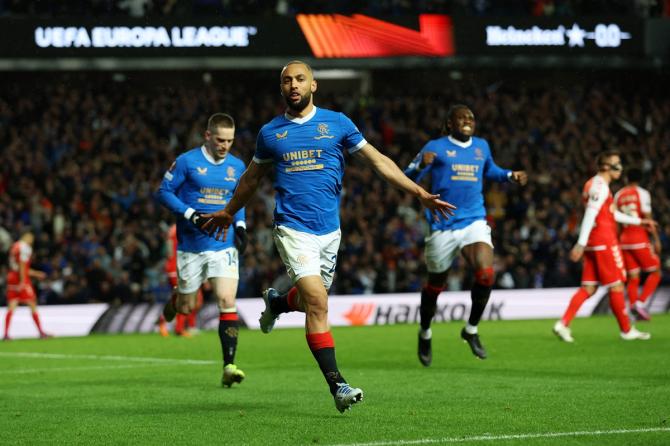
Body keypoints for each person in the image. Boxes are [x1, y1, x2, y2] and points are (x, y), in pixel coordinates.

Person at [201, 61, 455, 413]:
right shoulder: (271, 133)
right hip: (292, 228)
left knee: (308, 302)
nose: (294, 84)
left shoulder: (337, 123)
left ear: (313, 85)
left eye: (300, 79)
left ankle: (277, 303)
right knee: (318, 302)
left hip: (329, 232)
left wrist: (419, 192)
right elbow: (250, 179)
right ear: (281, 88)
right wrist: (229, 211)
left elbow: (379, 161)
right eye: (287, 80)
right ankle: (338, 385)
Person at [403, 104, 527, 366]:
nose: (468, 120)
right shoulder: (434, 147)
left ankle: (470, 330)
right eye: (461, 118)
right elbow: (405, 177)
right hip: (442, 224)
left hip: (474, 220)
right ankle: (425, 332)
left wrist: (509, 175)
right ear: (450, 124)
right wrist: (417, 168)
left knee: (486, 273)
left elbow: (490, 170)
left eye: (471, 117)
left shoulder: (481, 146)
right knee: (436, 284)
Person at [156, 113, 249, 387]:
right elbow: (164, 191)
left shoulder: (237, 165)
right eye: (220, 140)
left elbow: (239, 197)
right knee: (186, 307)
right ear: (207, 136)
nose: (225, 146)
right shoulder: (187, 161)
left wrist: (241, 225)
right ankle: (175, 301)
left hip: (224, 244)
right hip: (191, 247)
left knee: (225, 300)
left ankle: (229, 366)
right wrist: (191, 214)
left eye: (230, 141)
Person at [553, 151, 655, 343]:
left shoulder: (595, 184)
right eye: (616, 164)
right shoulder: (600, 187)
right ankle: (626, 330)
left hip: (594, 243)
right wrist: (580, 244)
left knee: (588, 288)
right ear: (606, 167)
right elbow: (590, 215)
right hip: (603, 241)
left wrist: (639, 221)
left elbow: (609, 215)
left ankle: (563, 323)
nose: (620, 168)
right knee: (616, 284)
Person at [614, 167, 662, 321]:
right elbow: (648, 219)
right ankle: (640, 303)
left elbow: (618, 222)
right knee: (656, 272)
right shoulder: (642, 193)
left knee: (633, 276)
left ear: (626, 178)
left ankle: (633, 308)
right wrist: (656, 239)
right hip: (639, 239)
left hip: (624, 241)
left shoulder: (618, 195)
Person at [157, 224, 204, 337]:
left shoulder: (176, 229)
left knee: (189, 298)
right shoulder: (179, 228)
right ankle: (180, 328)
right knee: (188, 299)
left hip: (179, 268)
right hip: (177, 269)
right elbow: (170, 250)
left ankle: (167, 321)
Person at [4, 231, 50, 340]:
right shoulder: (24, 248)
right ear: (27, 237)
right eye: (31, 239)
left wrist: (35, 273)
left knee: (12, 305)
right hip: (21, 279)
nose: (32, 241)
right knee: (32, 303)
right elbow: (22, 266)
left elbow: (15, 266)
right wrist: (23, 281)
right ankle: (41, 332)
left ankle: (6, 334)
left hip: (11, 277)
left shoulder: (14, 246)